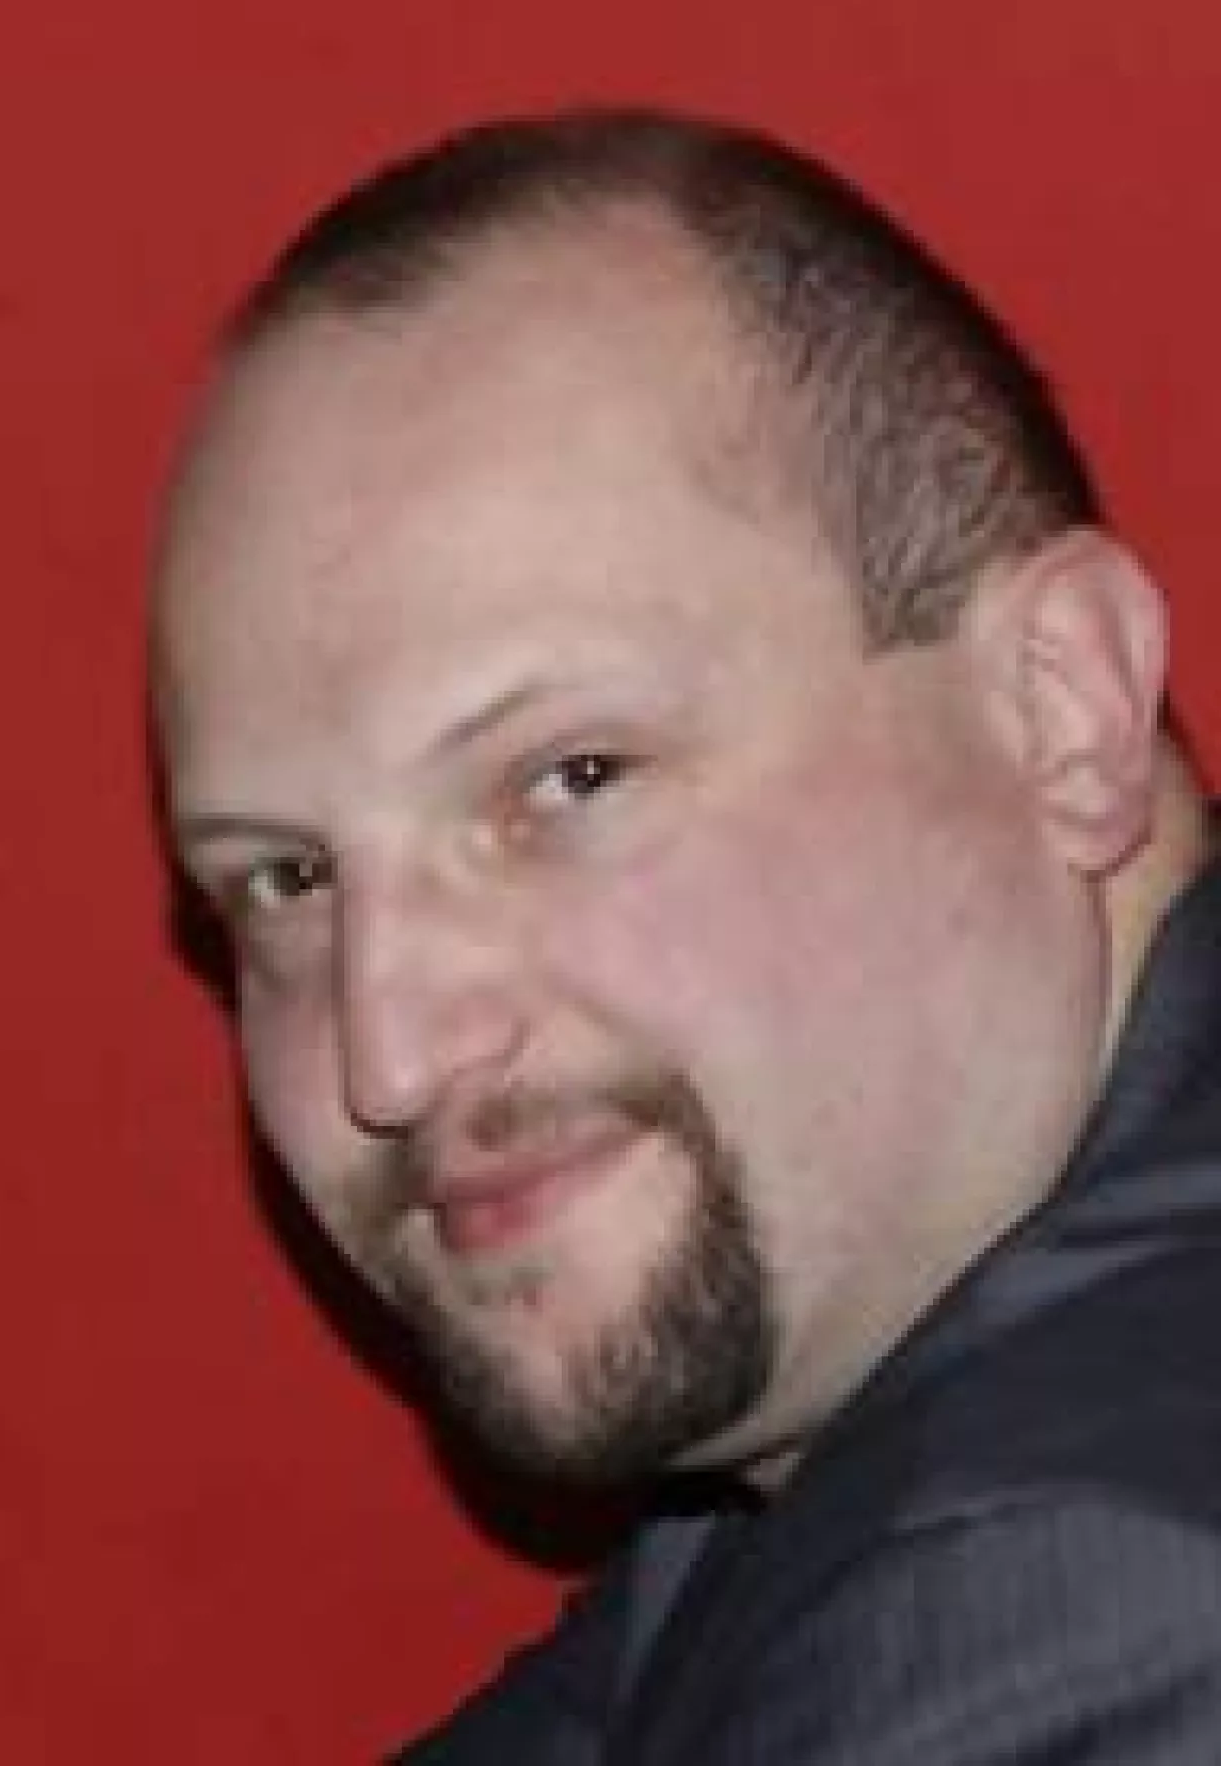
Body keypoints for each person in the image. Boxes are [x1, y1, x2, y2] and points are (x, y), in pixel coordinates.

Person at [151, 109, 1221, 1760]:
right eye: (288, 880)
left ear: (1060, 707)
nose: (392, 1051)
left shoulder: (1086, 1590)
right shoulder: (866, 1413)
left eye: (569, 779)